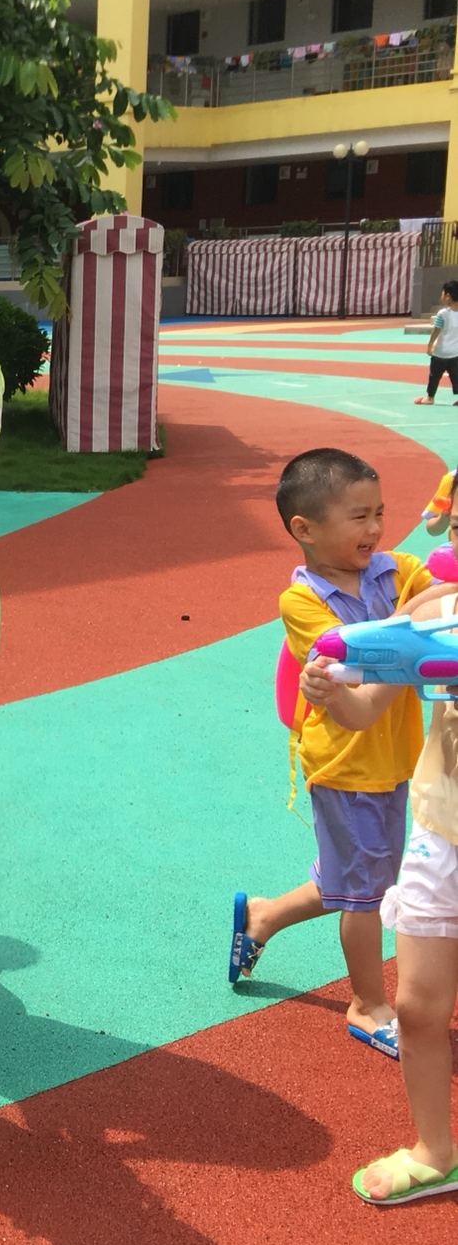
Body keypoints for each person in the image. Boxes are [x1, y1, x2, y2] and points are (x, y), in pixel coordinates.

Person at [230, 448, 432, 1057]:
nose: (376, 528)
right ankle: (367, 1004)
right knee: (366, 890)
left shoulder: (396, 571)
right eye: (359, 517)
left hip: (394, 756)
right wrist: (412, 634)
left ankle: (263, 917)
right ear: (306, 529)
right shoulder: (302, 602)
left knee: (360, 872)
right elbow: (358, 684)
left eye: (380, 513)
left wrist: (421, 613)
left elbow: (442, 595)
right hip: (345, 765)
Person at [324, 581, 458, 1203]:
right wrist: (330, 692)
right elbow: (363, 707)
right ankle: (435, 1152)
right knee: (416, 1007)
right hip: (441, 833)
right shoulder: (435, 611)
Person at [413, 279, 458, 405]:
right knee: (456, 376)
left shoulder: (443, 313)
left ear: (448, 296)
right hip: (455, 353)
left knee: (434, 375)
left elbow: (436, 331)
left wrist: (430, 345)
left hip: (440, 352)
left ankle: (430, 397)